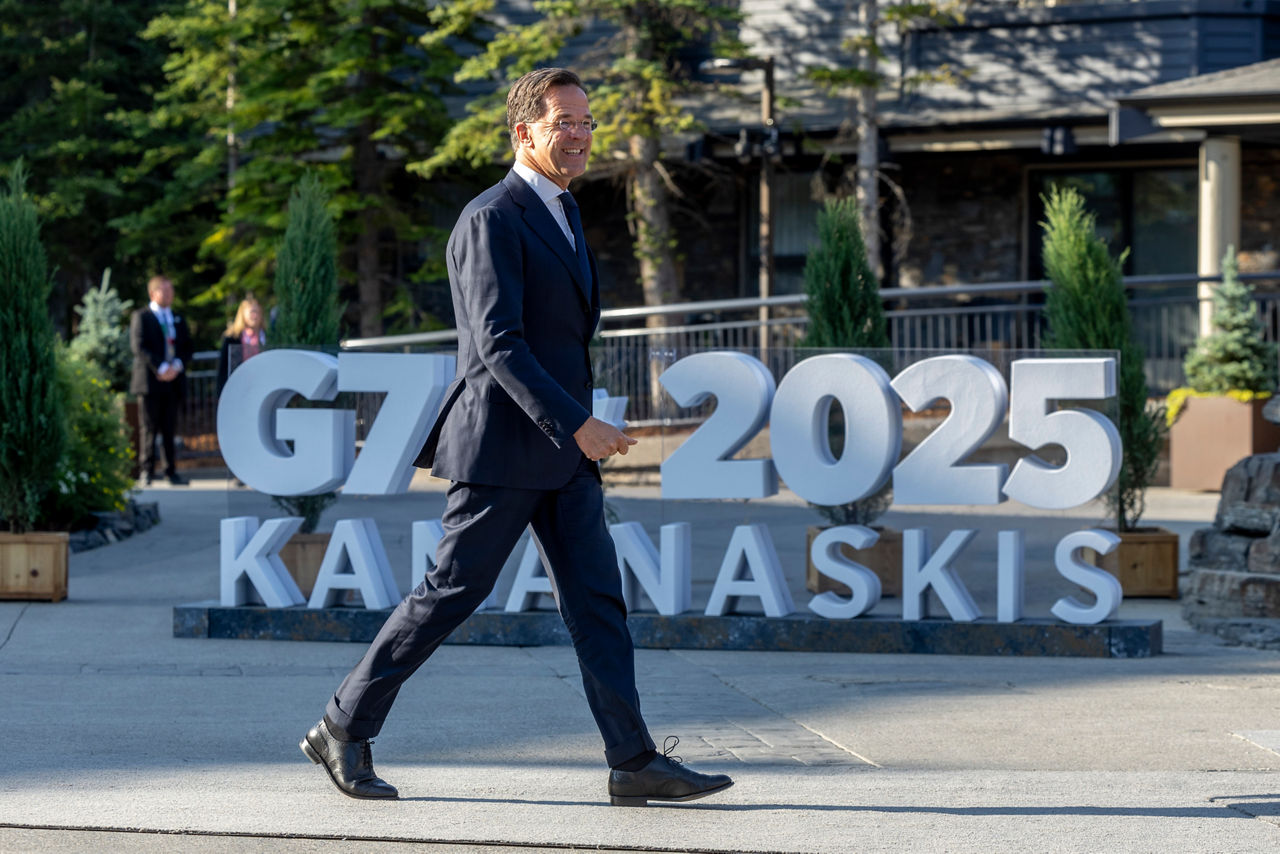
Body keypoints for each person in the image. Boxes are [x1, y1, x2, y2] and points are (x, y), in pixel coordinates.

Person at [301, 67, 733, 807]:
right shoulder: (490, 218)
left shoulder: (564, 212)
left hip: (562, 458)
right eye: (565, 121)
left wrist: (574, 430)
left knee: (599, 601)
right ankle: (342, 725)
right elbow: (497, 345)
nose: (580, 134)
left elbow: (559, 340)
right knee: (452, 594)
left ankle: (632, 761)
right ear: (523, 131)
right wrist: (577, 420)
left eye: (587, 121)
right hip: (502, 447)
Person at [130, 275, 194, 486]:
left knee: (169, 428)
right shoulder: (142, 316)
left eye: (171, 290)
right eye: (164, 290)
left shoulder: (177, 318)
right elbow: (139, 347)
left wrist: (176, 366)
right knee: (148, 428)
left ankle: (170, 470)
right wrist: (160, 367)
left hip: (173, 381)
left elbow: (187, 348)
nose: (169, 294)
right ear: (153, 293)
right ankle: (146, 470)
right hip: (150, 382)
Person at [215, 297, 267, 393]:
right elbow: (223, 368)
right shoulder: (232, 338)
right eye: (252, 312)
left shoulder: (267, 336)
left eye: (257, 312)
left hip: (262, 386)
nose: (255, 316)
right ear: (243, 315)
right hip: (239, 387)